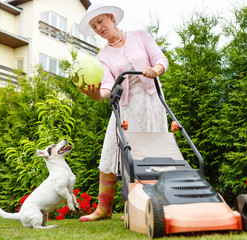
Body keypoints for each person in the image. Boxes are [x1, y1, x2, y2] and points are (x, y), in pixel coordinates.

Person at [77, 2, 169, 222]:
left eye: (100, 21)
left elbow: (161, 59)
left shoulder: (140, 36)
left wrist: (154, 70)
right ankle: (104, 208)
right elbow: (108, 86)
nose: (98, 27)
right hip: (125, 106)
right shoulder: (103, 57)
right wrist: (97, 95)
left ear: (111, 17)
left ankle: (142, 205)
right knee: (111, 150)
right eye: (94, 26)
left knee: (148, 154)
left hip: (150, 102)